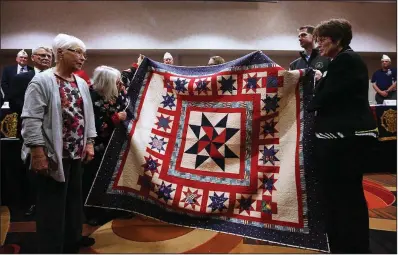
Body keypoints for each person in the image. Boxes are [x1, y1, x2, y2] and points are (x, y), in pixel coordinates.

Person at [21, 33, 96, 253]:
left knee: (74, 200)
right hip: (53, 154)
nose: (83, 58)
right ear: (61, 53)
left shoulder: (80, 82)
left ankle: (72, 239)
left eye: (85, 54)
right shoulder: (42, 80)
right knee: (51, 204)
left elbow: (87, 115)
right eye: (78, 52)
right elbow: (31, 118)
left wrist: (89, 142)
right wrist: (37, 152)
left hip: (75, 152)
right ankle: (51, 245)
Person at [308, 19, 377, 253]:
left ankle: (349, 245)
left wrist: (310, 84)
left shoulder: (346, 60)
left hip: (343, 141)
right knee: (345, 194)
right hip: (344, 138)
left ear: (337, 39)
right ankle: (347, 243)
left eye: (322, 39)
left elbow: (324, 98)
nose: (318, 45)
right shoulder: (343, 60)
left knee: (344, 195)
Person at [8, 46, 53, 217]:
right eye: (42, 55)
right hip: (30, 130)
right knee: (31, 166)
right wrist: (34, 112)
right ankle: (33, 203)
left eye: (49, 56)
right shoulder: (22, 78)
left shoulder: (55, 78)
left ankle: (49, 203)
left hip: (52, 131)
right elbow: (13, 101)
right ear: (33, 58)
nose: (46, 58)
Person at [83, 65, 129, 226]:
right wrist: (116, 118)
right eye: (117, 82)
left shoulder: (116, 94)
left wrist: (122, 92)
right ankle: (93, 213)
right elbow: (92, 124)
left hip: (114, 145)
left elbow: (127, 107)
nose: (120, 84)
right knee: (93, 179)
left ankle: (112, 209)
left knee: (113, 178)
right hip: (96, 146)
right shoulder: (91, 96)